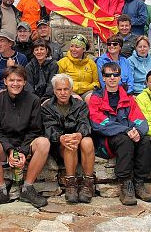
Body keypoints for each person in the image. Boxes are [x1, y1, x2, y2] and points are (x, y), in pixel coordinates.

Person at [0, 66, 50, 211]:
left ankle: (27, 189)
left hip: (27, 143)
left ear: (25, 82)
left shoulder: (34, 100)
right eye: (11, 80)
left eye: (19, 80)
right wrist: (10, 150)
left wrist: (23, 151)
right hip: (4, 145)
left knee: (44, 143)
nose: (15, 83)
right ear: (5, 81)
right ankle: (1, 191)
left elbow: (35, 130)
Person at [89, 62, 151, 205]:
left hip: (128, 136)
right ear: (103, 78)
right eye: (108, 75)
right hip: (105, 142)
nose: (112, 78)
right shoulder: (96, 98)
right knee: (124, 140)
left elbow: (139, 119)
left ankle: (139, 183)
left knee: (145, 140)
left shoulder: (128, 98)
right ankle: (125, 184)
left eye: (115, 74)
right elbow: (98, 122)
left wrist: (138, 132)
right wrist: (126, 130)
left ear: (120, 78)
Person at [41, 73, 95, 203]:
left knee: (87, 141)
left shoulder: (80, 105)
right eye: (59, 89)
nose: (63, 92)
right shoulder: (47, 107)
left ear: (71, 90)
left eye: (66, 89)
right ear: (54, 91)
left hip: (79, 142)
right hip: (58, 145)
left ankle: (88, 184)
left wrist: (80, 134)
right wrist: (61, 138)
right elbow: (48, 128)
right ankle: (71, 183)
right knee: (69, 144)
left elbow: (85, 124)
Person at [57, 34, 99, 103]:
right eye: (71, 46)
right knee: (76, 100)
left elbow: (96, 83)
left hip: (87, 91)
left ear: (84, 49)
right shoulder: (62, 62)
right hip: (70, 91)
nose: (73, 49)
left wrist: (86, 88)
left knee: (92, 99)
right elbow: (59, 82)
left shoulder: (91, 63)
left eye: (77, 47)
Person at [0, 29, 28, 99]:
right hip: (0, 91)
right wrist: (0, 90)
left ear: (10, 43)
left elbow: (23, 80)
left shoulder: (21, 58)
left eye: (2, 40)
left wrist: (12, 68)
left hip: (17, 89)